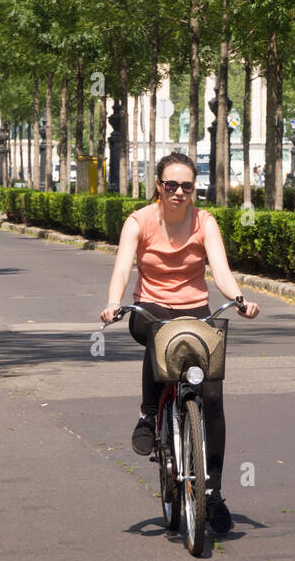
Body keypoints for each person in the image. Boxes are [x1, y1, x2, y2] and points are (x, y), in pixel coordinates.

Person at [100, 151, 260, 533]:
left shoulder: (204, 222)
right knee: (157, 333)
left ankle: (213, 492)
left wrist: (238, 299)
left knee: (212, 397)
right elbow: (123, 265)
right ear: (158, 186)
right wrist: (112, 303)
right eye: (170, 185)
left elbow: (220, 269)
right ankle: (149, 413)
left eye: (187, 186)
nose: (178, 192)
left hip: (195, 313)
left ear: (194, 189)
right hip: (151, 309)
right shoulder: (139, 221)